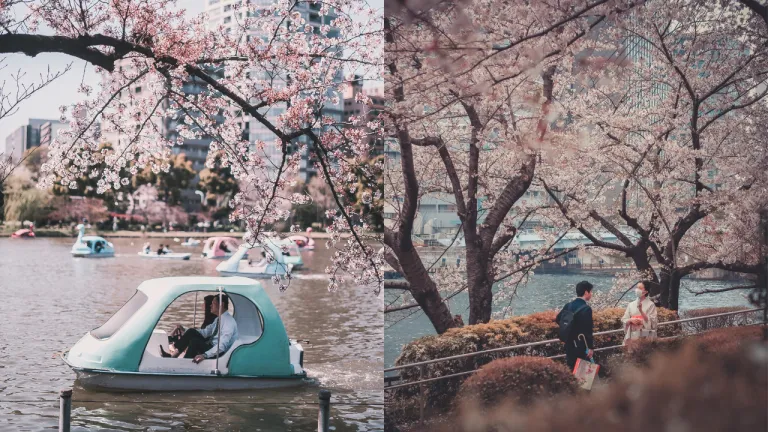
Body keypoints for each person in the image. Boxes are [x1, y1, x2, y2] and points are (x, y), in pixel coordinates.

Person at [161, 294, 239, 363]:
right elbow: (205, 332)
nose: (210, 306)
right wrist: (184, 330)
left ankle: (184, 363)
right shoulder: (218, 319)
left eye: (213, 303)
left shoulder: (229, 322)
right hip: (211, 346)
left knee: (195, 342)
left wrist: (205, 355)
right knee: (192, 331)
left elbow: (222, 346)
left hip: (218, 352)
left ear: (221, 304)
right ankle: (173, 356)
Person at [555, 281, 595, 371]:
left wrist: (569, 329)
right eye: (591, 292)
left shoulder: (568, 305)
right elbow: (588, 331)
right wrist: (590, 348)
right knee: (582, 372)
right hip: (581, 345)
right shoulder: (586, 309)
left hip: (569, 343)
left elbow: (558, 319)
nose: (591, 294)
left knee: (571, 369)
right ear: (586, 292)